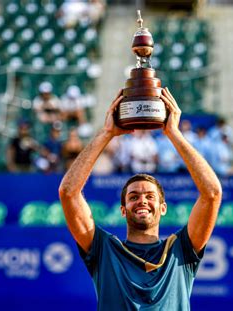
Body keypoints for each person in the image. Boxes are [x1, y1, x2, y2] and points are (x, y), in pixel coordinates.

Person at [58, 88, 222, 310]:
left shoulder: (181, 249)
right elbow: (68, 193)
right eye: (133, 197)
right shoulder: (104, 249)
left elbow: (212, 194)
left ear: (163, 208)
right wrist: (106, 133)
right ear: (123, 210)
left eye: (150, 196)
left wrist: (173, 132)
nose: (142, 201)